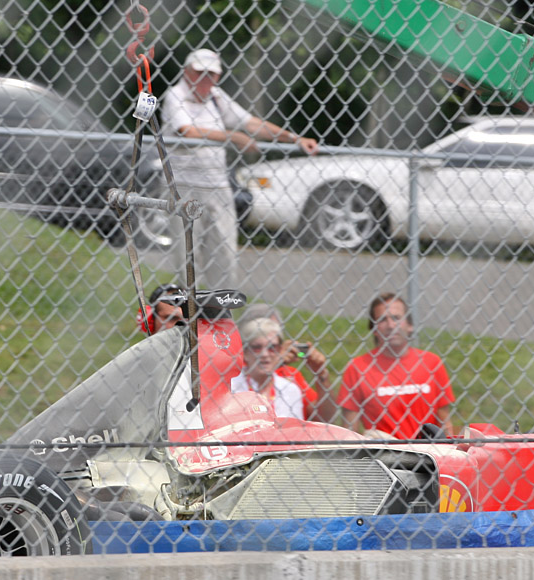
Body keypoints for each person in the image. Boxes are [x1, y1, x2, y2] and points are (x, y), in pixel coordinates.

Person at [161, 48, 319, 290]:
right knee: (186, 255)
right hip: (183, 185)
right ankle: (188, 313)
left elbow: (251, 123)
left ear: (218, 77)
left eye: (211, 74)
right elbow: (187, 131)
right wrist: (233, 137)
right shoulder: (175, 95)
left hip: (218, 186)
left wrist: (295, 138)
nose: (205, 79)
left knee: (224, 252)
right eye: (199, 72)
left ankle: (219, 311)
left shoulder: (216, 97)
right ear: (187, 72)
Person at [337, 293, 455, 438]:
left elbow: (445, 422)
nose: (391, 325)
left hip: (428, 452)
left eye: (396, 318)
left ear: (410, 325)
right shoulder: (357, 367)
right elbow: (350, 432)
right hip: (383, 455)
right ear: (374, 329)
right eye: (382, 320)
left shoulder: (432, 363)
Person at [230, 317, 334, 422]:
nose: (265, 354)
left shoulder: (290, 388)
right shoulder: (230, 386)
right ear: (245, 352)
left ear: (280, 350)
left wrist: (321, 373)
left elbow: (323, 419)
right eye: (257, 347)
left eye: (272, 347)